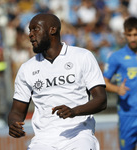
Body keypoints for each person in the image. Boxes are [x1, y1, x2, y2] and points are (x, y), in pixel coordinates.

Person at [8, 13, 107, 150]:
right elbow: (17, 112)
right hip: (43, 140)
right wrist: (13, 123)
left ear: (52, 30)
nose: (30, 34)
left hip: (78, 135)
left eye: (35, 29)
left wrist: (74, 111)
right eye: (29, 30)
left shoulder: (82, 56)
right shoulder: (27, 68)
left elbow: (101, 100)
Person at [103, 16, 137, 150]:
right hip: (127, 114)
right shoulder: (116, 57)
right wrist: (117, 89)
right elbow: (103, 82)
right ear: (124, 35)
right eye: (129, 35)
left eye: (136, 34)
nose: (133, 39)